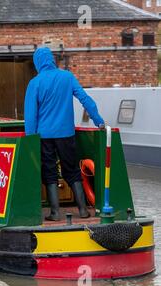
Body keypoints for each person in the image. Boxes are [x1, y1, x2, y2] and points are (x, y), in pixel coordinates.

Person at [24, 47, 105, 221]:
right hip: (66, 133)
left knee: (50, 171)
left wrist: (30, 140)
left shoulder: (35, 83)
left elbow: (30, 116)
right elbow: (85, 99)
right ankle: (83, 210)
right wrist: (98, 120)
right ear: (52, 60)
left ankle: (55, 213)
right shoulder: (67, 77)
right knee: (72, 169)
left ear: (38, 62)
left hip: (44, 136)